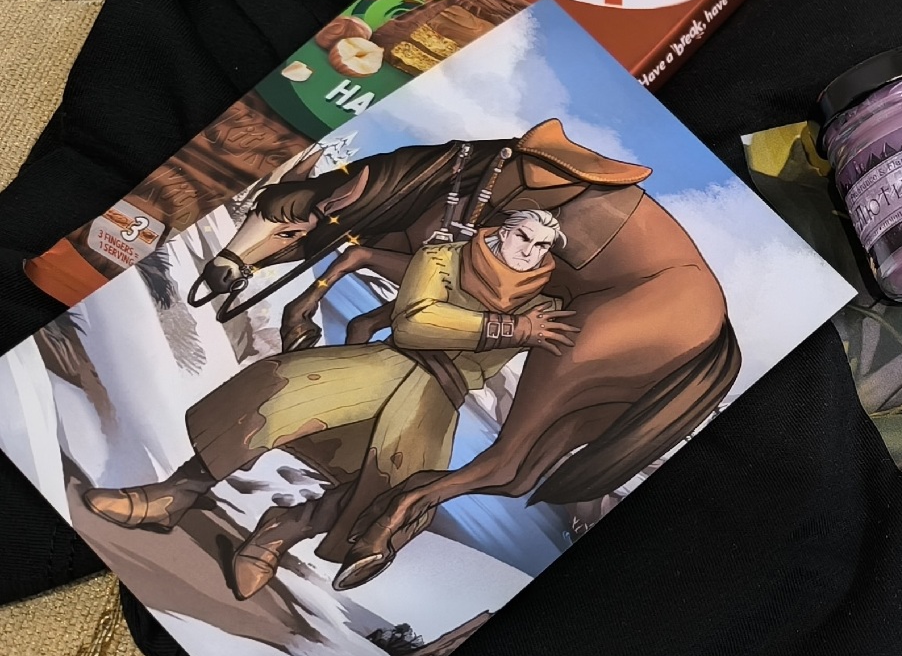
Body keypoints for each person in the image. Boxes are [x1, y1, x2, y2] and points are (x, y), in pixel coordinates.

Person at [83, 210, 576, 598]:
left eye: (541, 246)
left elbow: (518, 370)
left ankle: (281, 532)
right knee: (278, 392)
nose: (529, 251)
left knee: (388, 486)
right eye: (523, 237)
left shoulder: (544, 307)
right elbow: (415, 323)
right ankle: (175, 494)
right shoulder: (444, 258)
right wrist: (507, 329)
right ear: (502, 232)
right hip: (386, 362)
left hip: (440, 397)